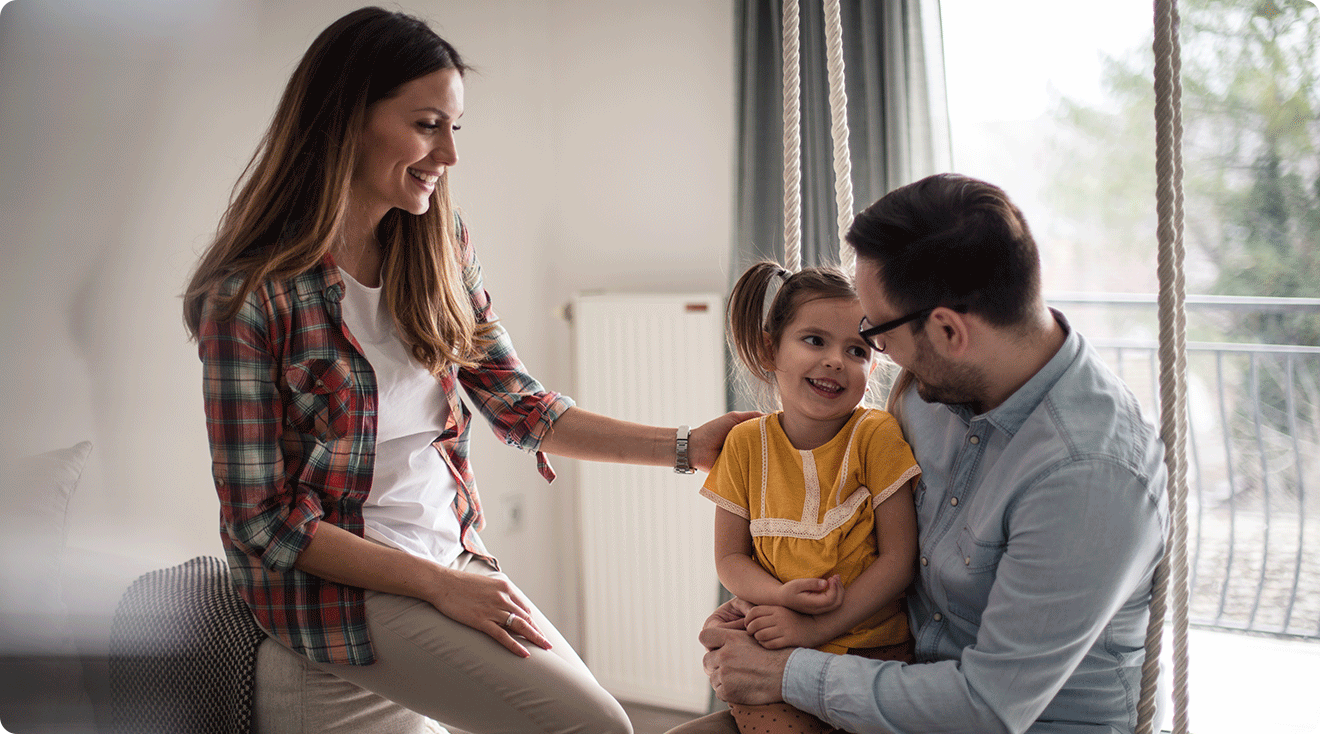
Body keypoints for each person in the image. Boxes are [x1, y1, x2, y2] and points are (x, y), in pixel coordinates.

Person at [181, 8, 753, 734]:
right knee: (598, 727)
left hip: (453, 556)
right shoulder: (249, 299)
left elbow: (521, 407)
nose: (448, 154)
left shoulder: (438, 243)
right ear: (347, 119)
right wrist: (439, 587)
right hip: (341, 590)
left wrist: (687, 445)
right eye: (427, 124)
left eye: (456, 128)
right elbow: (262, 524)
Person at [671, 174, 1168, 734]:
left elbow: (985, 709)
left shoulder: (1090, 475)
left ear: (948, 330)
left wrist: (786, 671)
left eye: (874, 335)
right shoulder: (931, 393)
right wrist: (769, 614)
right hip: (887, 682)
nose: (877, 357)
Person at [701, 262, 921, 734]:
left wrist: (815, 628)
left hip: (870, 652)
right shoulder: (744, 444)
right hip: (776, 647)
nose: (835, 360)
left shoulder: (875, 435)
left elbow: (900, 560)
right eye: (814, 340)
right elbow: (730, 559)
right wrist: (779, 597)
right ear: (769, 347)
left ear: (873, 367)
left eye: (857, 350)